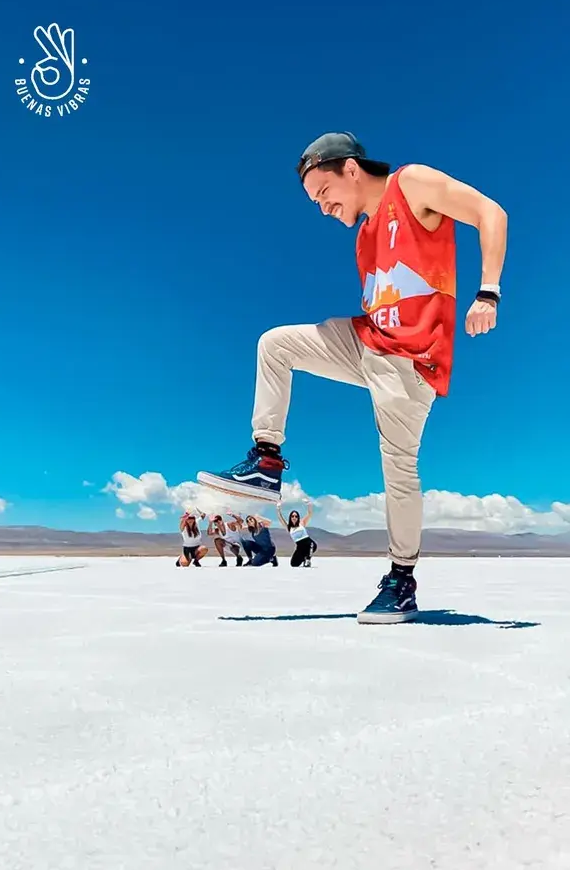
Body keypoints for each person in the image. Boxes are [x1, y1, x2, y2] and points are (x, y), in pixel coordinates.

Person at [197, 131, 507, 623]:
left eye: (323, 193)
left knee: (398, 471)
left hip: (412, 364)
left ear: (350, 169)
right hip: (366, 342)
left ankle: (401, 579)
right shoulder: (364, 237)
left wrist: (487, 292)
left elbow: (492, 213)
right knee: (275, 343)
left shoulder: (414, 184)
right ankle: (266, 461)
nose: (322, 208)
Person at [277, 501, 317, 567]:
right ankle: (304, 557)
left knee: (311, 545)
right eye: (292, 516)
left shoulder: (302, 523)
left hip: (309, 544)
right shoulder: (288, 527)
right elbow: (280, 518)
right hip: (300, 547)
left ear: (298, 517)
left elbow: (309, 513)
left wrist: (309, 505)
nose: (294, 518)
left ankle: (307, 559)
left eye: (296, 516)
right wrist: (278, 508)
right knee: (293, 564)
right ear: (290, 517)